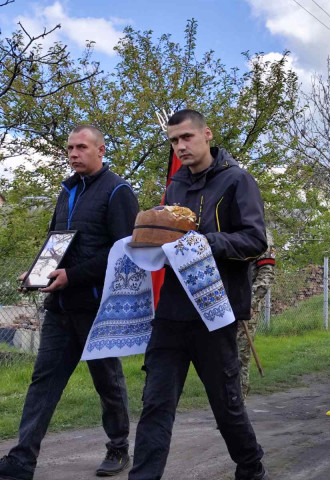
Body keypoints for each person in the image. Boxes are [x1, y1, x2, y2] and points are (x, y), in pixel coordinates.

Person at [128, 110, 269, 480]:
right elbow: (170, 239)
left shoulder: (237, 180)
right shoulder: (174, 186)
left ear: (207, 134)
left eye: (186, 137)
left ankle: (251, 468)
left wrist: (207, 243)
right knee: (155, 403)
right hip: (171, 313)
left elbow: (255, 240)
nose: (180, 146)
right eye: (174, 140)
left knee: (227, 405)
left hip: (215, 313)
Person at [0, 125, 139, 480]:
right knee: (43, 382)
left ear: (101, 150)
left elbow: (124, 251)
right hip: (60, 307)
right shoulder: (67, 190)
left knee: (107, 382)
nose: (74, 153)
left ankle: (118, 447)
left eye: (81, 147)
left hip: (97, 309)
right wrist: (37, 272)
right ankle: (21, 460)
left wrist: (72, 276)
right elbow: (56, 241)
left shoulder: (118, 191)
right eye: (70, 148)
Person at [238, 228, 276, 400]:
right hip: (221, 303)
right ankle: (224, 404)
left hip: (246, 307)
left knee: (240, 356)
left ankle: (239, 402)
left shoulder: (261, 233)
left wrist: (250, 302)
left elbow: (266, 273)